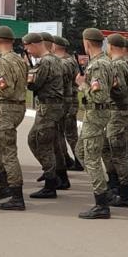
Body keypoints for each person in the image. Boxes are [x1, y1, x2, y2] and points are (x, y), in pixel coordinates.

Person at [0, 25, 28, 210]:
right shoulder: (19, 59)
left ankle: (16, 195)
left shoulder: (3, 62)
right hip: (17, 108)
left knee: (8, 151)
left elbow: (5, 90)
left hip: (7, 108)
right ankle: (5, 185)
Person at [76, 28, 115, 219]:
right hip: (93, 114)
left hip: (96, 114)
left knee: (91, 157)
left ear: (87, 43)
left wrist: (82, 85)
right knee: (81, 152)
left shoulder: (98, 65)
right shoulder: (104, 61)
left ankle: (101, 203)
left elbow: (100, 94)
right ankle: (103, 190)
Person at [23, 32, 65, 199]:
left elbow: (33, 85)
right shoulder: (55, 59)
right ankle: (55, 176)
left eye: (28, 48)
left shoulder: (46, 62)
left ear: (34, 44)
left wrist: (28, 68)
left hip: (48, 107)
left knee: (38, 141)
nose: (28, 51)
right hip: (53, 106)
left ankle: (50, 181)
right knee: (49, 142)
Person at [105, 33, 128, 207]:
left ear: (111, 47)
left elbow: (120, 91)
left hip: (118, 113)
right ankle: (127, 186)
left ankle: (124, 194)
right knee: (125, 152)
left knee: (118, 154)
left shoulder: (116, 65)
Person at [51, 35, 83, 172]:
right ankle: (69, 159)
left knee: (68, 133)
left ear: (56, 46)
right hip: (69, 99)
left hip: (66, 100)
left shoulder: (64, 63)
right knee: (65, 133)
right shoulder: (70, 60)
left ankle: (77, 160)